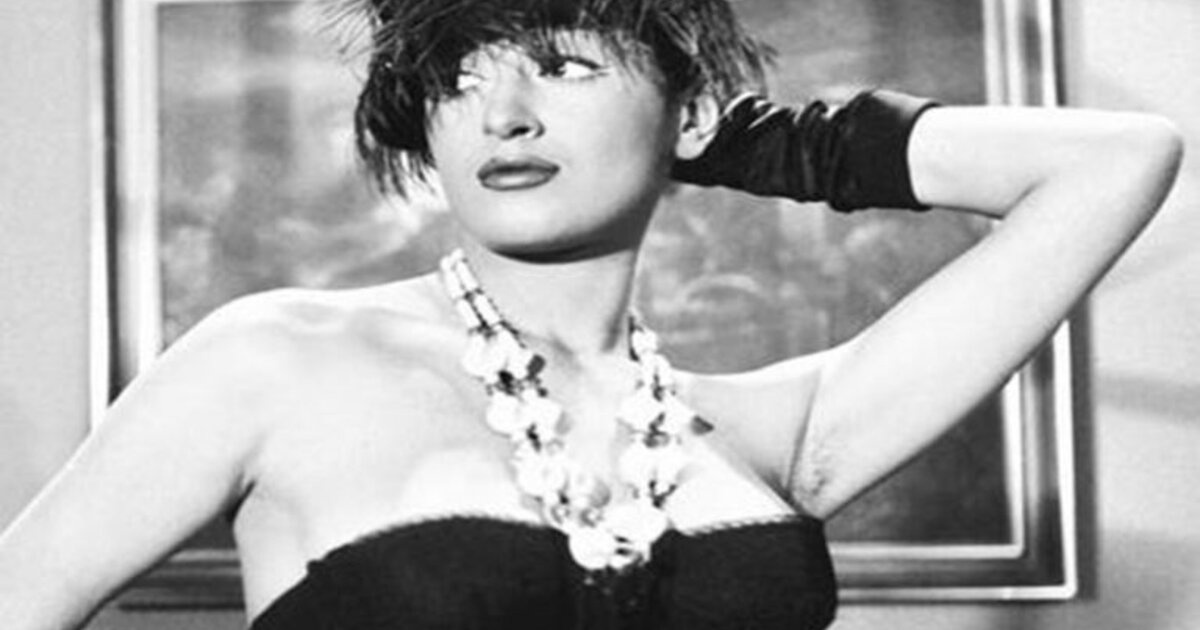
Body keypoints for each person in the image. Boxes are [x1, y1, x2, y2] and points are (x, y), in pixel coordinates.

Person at [0, 0, 1183, 628]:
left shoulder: (781, 435)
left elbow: (1115, 162)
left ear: (691, 114)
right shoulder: (274, 363)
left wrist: (769, 144)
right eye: (457, 79)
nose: (502, 114)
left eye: (562, 65)